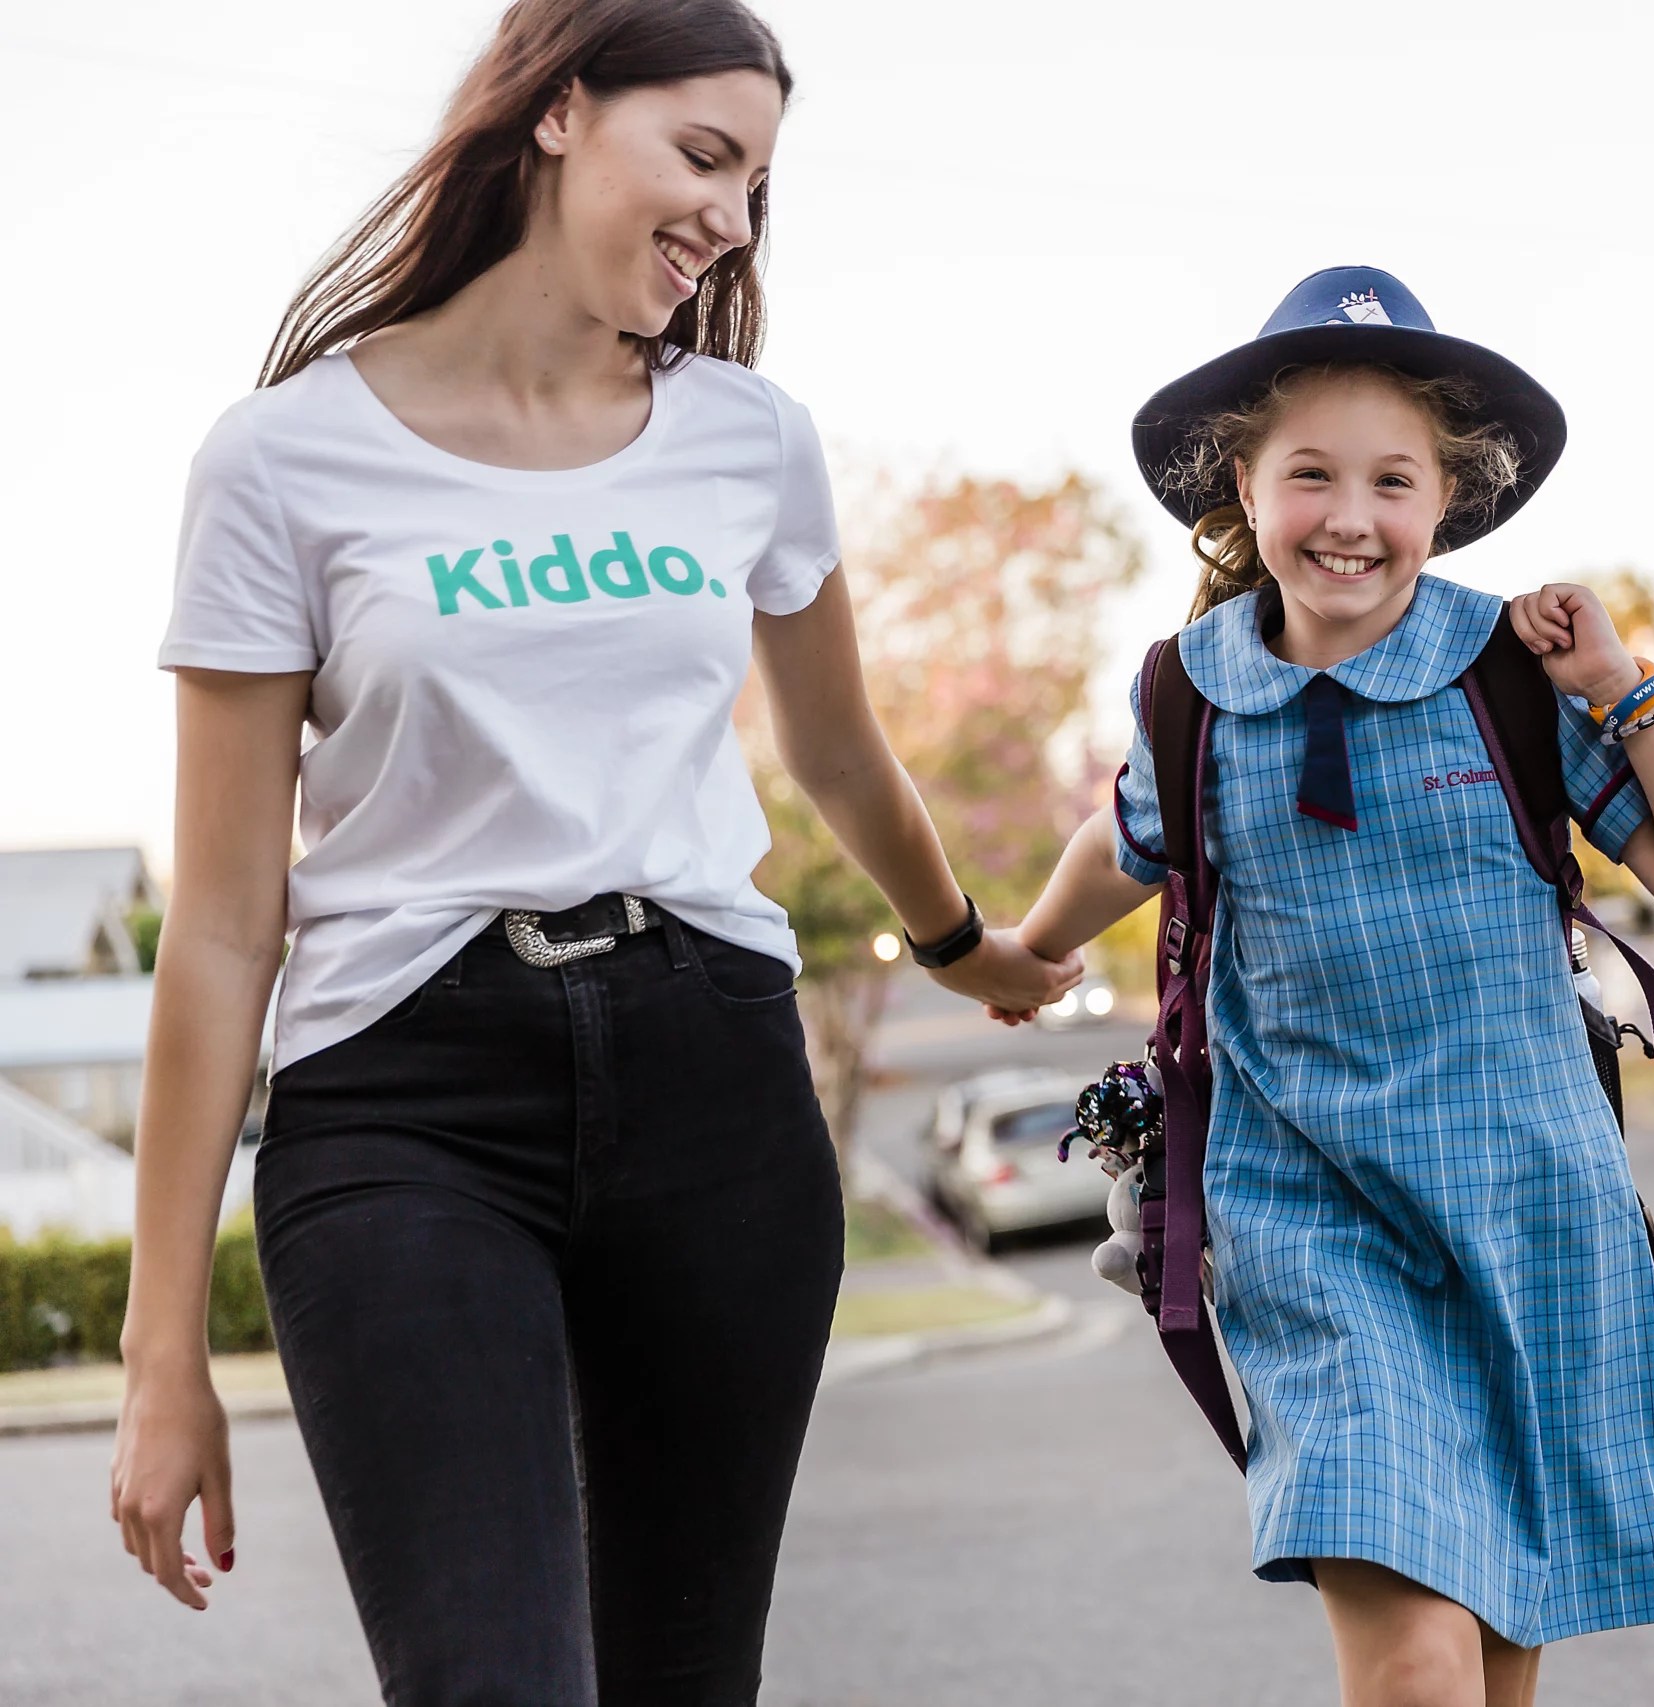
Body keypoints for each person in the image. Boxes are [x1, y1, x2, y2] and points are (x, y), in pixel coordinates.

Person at [107, 1, 1078, 1698]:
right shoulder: (282, 460)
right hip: (404, 1107)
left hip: (715, 1087)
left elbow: (837, 751)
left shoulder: (747, 436)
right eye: (703, 155)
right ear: (556, 111)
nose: (733, 218)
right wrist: (158, 1348)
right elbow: (223, 925)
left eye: (758, 183)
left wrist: (956, 943)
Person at [1010, 267, 1654, 1707]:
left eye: (1393, 479)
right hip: (1310, 1225)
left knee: (1493, 1656)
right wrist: (1023, 951)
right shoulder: (1189, 692)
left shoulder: (1510, 675)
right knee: (1419, 1668)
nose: (1349, 517)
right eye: (1310, 474)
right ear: (1242, 488)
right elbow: (1121, 843)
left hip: (1527, 1213)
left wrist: (1622, 685)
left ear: (1448, 498)